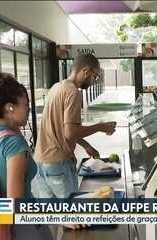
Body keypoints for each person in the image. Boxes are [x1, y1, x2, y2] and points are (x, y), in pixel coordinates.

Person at [0, 67, 51, 239]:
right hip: (22, 229)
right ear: (10, 108)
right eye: (25, 105)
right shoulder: (14, 144)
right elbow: (16, 204)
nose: (28, 110)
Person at [34, 53, 116, 199]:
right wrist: (100, 127)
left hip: (41, 161)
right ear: (86, 71)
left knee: (51, 216)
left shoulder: (56, 88)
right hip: (59, 162)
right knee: (72, 214)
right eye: (95, 76)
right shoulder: (72, 92)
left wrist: (85, 145)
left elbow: (62, 128)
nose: (94, 81)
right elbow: (70, 132)